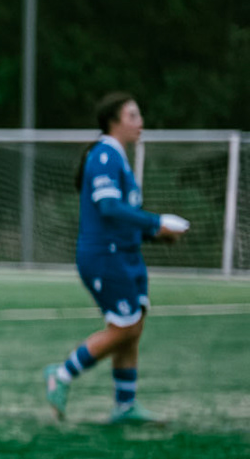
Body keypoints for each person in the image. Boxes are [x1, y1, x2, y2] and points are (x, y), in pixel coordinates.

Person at [44, 94, 188, 423]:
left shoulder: (118, 157)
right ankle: (61, 374)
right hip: (104, 256)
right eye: (133, 116)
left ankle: (125, 406)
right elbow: (108, 208)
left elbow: (120, 218)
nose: (140, 123)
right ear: (114, 121)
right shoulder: (104, 155)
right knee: (123, 329)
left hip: (125, 255)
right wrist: (155, 221)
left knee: (133, 328)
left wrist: (155, 235)